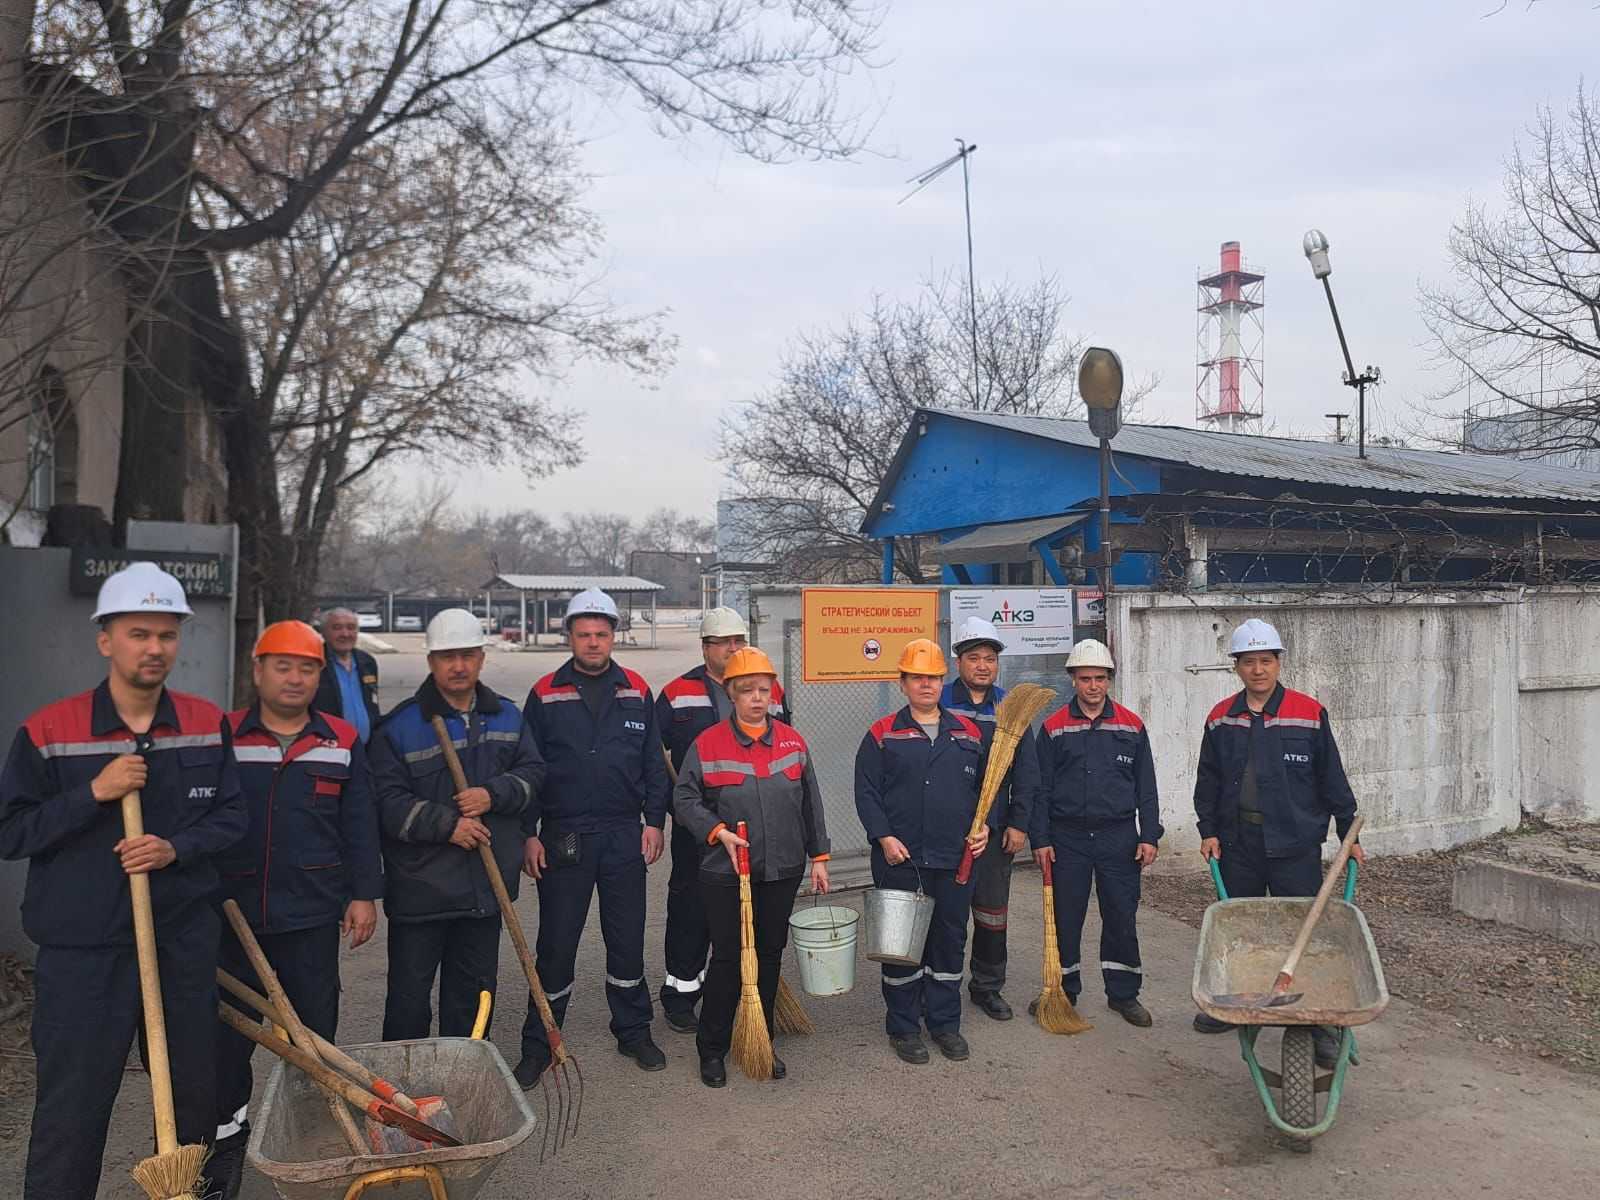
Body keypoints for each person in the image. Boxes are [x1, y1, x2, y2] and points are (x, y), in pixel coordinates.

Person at [0, 563, 246, 1200]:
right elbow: (11, 832)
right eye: (139, 633)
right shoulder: (50, 731)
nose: (154, 647)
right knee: (72, 1108)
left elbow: (232, 817)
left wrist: (175, 848)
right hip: (84, 952)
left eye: (166, 634)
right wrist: (94, 793)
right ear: (105, 639)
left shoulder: (205, 723)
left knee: (191, 1102)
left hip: (180, 943)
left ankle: (185, 1192)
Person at [207, 621, 384, 1198]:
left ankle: (313, 1136)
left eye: (306, 668)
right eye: (282, 666)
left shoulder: (340, 740)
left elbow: (359, 823)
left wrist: (363, 893)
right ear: (258, 671)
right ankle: (225, 1144)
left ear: (319, 675)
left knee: (311, 1035)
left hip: (310, 915)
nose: (294, 678)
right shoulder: (225, 736)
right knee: (225, 1043)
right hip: (231, 917)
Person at [1191, 618, 1364, 1065]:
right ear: (1236, 666)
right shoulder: (1221, 717)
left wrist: (1348, 833)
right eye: (1249, 662)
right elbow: (1207, 780)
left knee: (1304, 932)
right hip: (1238, 844)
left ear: (1278, 662)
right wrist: (1208, 830)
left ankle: (1315, 1024)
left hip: (1295, 844)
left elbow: (1331, 778)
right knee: (1241, 930)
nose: (1258, 670)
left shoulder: (1308, 713)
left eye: (1265, 661)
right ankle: (1236, 1006)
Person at [368, 608, 545, 1041]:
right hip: (420, 893)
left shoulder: (508, 717)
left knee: (473, 1003)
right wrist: (448, 825)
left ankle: (466, 1076)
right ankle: (406, 1081)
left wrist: (493, 794)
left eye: (467, 655)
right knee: (409, 1003)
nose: (459, 665)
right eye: (448, 657)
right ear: (431, 661)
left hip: (485, 888)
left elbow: (534, 774)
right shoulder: (399, 727)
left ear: (482, 657)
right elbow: (385, 803)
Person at [519, 588, 671, 1081]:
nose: (592, 642)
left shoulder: (636, 689)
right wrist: (528, 833)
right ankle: (540, 1042)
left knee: (626, 939)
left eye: (600, 634)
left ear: (612, 636)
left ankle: (633, 1032)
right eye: (583, 634)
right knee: (556, 944)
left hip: (623, 834)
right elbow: (527, 767)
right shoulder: (545, 693)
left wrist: (654, 821)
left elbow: (653, 763)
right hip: (564, 835)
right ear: (569, 636)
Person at [670, 647, 829, 1087]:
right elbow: (684, 798)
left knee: (770, 953)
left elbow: (811, 804)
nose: (757, 698)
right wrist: (716, 831)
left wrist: (819, 857)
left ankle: (762, 1037)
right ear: (732, 694)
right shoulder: (708, 745)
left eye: (763, 690)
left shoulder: (793, 742)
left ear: (773, 693)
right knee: (728, 958)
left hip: (782, 868)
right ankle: (712, 1048)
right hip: (726, 872)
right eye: (746, 691)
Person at [656, 606, 793, 1034]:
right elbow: (654, 758)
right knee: (691, 909)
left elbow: (784, 745)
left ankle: (739, 992)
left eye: (738, 641)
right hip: (698, 826)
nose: (732, 649)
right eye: (722, 643)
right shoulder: (677, 694)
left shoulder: (771, 690)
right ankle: (681, 994)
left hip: (753, 827)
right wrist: (674, 813)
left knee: (751, 915)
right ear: (705, 647)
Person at [854, 638, 992, 1065]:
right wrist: (883, 837)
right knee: (901, 947)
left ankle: (945, 1024)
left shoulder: (968, 733)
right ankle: (904, 1027)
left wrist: (985, 826)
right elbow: (866, 792)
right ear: (903, 683)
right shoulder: (882, 734)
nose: (926, 684)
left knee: (949, 942)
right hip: (901, 859)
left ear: (942, 681)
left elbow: (984, 791)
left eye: (932, 677)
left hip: (955, 859)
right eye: (917, 677)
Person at [1031, 639, 1161, 1028]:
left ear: (1109, 679)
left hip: (1118, 837)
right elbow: (1040, 790)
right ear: (1073, 680)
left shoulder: (1131, 726)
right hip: (1067, 838)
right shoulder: (1054, 728)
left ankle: (1124, 994)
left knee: (1121, 915)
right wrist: (1041, 839)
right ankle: (1063, 992)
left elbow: (1147, 787)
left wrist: (1149, 835)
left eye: (1100, 678)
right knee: (1065, 918)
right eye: (1085, 678)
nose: (1093, 686)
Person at [940, 616, 1038, 1022]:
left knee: (992, 913)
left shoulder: (1011, 708)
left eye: (990, 659)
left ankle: (987, 986)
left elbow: (1027, 773)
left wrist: (1018, 823)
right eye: (974, 657)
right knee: (946, 914)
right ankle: (940, 986)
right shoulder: (940, 702)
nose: (982, 666)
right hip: (948, 829)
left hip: (995, 830)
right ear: (958, 661)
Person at [313, 607, 381, 741]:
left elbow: (373, 704)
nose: (345, 634)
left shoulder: (367, 662)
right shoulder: (315, 663)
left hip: (367, 748)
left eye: (351, 628)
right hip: (327, 746)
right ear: (324, 632)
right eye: (337, 628)